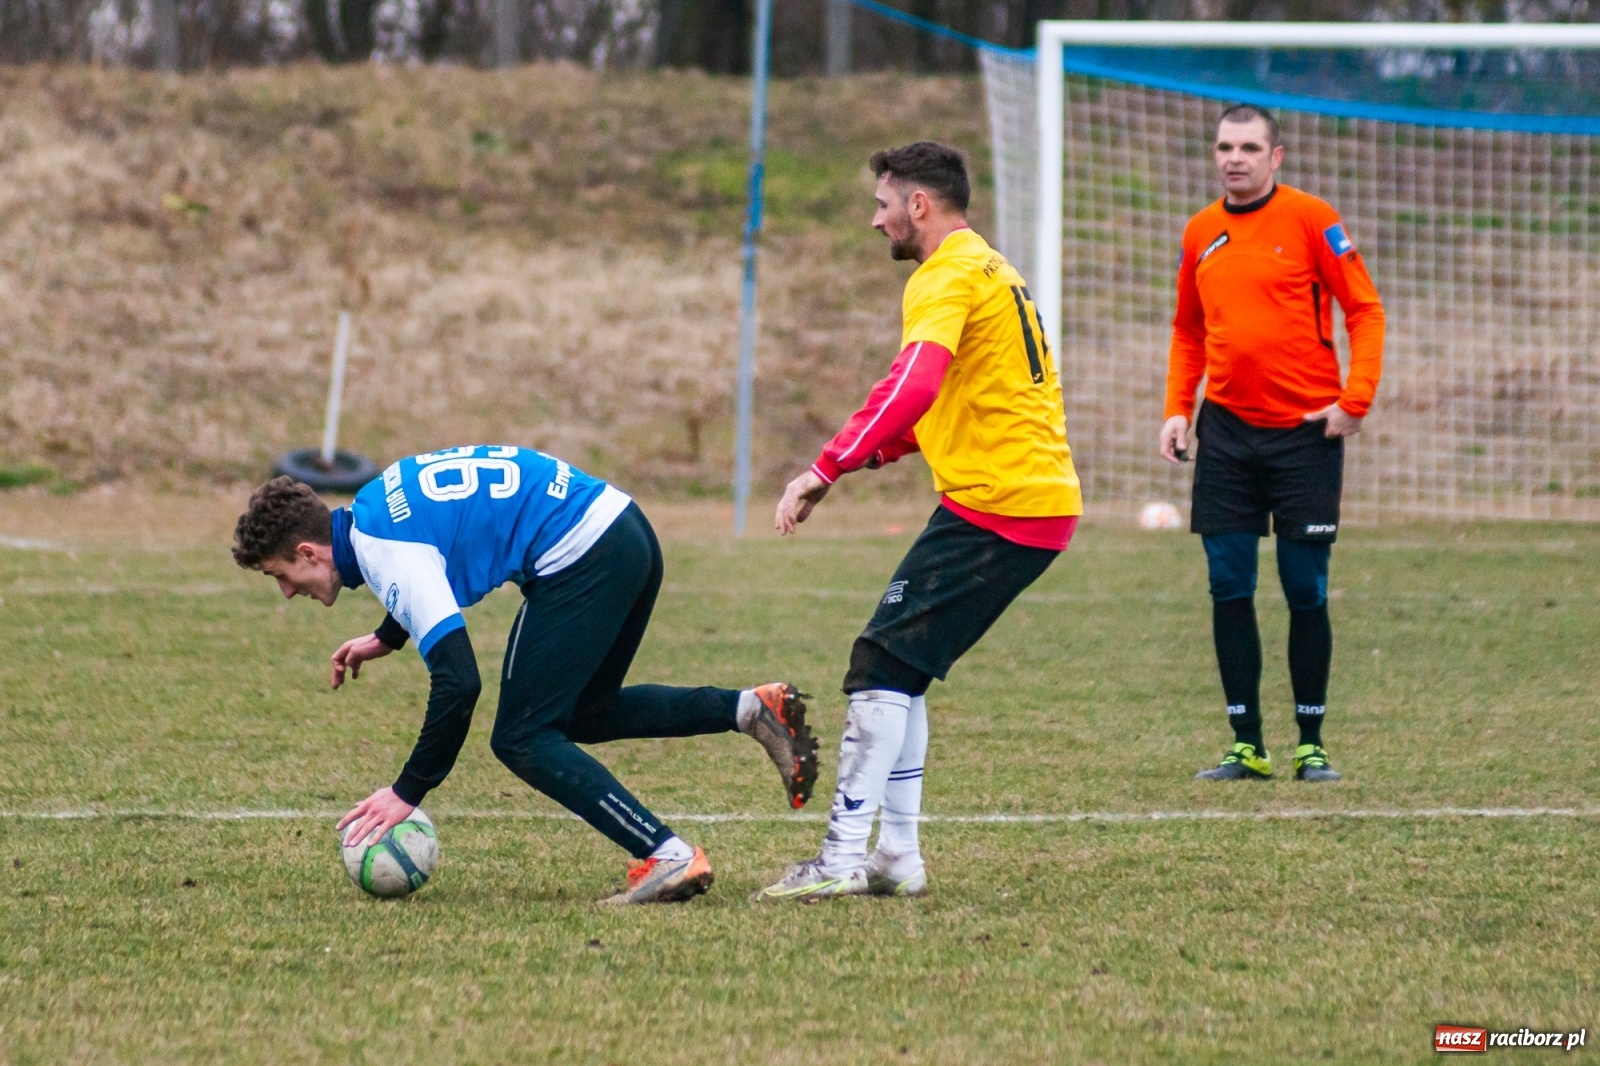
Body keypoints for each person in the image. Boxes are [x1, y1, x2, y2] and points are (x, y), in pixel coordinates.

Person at [231, 446, 819, 904]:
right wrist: (388, 636)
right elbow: (434, 550)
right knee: (583, 712)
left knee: (521, 736)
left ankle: (667, 855)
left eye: (280, 575)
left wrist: (407, 790)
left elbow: (460, 682)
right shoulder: (373, 509)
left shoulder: (385, 550)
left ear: (309, 552)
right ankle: (751, 709)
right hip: (624, 529)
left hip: (583, 554)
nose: (286, 592)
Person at [753, 142, 1083, 902]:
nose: (876, 220)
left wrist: (824, 466)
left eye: (882, 204)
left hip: (1000, 503)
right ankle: (896, 857)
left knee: (876, 667)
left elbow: (912, 381)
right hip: (1021, 499)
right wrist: (855, 462)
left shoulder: (945, 274)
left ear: (919, 206)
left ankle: (841, 859)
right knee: (900, 671)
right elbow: (936, 400)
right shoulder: (991, 267)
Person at [1159, 104, 1385, 783]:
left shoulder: (1314, 219)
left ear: (1275, 156)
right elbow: (1187, 330)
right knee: (1228, 585)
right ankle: (1245, 744)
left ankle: (1310, 743)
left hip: (1305, 435)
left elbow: (1365, 310)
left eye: (1250, 147)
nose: (1235, 158)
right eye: (1226, 147)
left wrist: (1355, 401)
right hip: (1225, 433)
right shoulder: (1201, 230)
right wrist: (1176, 408)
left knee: (1304, 589)